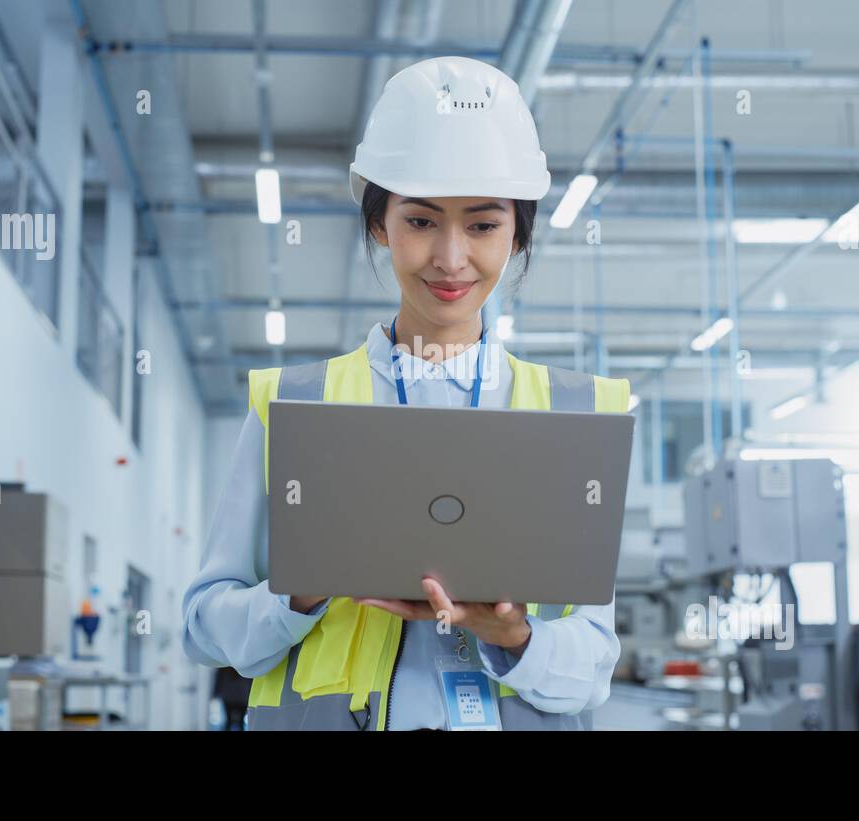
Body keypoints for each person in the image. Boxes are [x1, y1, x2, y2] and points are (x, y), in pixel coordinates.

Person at [182, 56, 629, 731]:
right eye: (421, 222)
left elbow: (593, 664)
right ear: (378, 224)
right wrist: (297, 594)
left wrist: (514, 637)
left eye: (482, 225)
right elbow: (204, 627)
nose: (451, 258)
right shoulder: (295, 404)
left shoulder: (574, 414)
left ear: (518, 234)